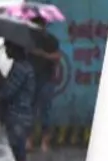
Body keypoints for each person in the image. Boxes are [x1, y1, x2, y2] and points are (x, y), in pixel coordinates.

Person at [27, 15, 62, 153]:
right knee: (29, 110)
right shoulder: (27, 40)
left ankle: (44, 141)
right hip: (30, 78)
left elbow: (57, 56)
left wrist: (42, 54)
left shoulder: (50, 40)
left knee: (45, 111)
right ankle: (28, 140)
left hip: (46, 78)